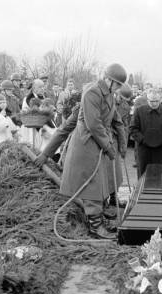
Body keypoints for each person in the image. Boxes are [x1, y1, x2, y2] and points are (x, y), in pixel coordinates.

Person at [59, 63, 127, 239]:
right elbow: (94, 124)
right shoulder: (92, 93)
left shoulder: (109, 94)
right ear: (108, 80)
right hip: (86, 144)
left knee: (100, 184)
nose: (119, 88)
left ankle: (99, 219)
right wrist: (108, 146)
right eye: (117, 84)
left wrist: (117, 144)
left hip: (98, 143)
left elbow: (112, 120)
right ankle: (95, 227)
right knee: (92, 185)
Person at [130, 89, 162, 177]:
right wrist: (143, 140)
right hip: (143, 149)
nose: (154, 104)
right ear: (147, 100)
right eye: (151, 101)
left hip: (160, 150)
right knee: (143, 174)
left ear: (160, 100)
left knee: (159, 175)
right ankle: (142, 191)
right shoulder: (139, 111)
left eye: (157, 101)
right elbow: (133, 128)